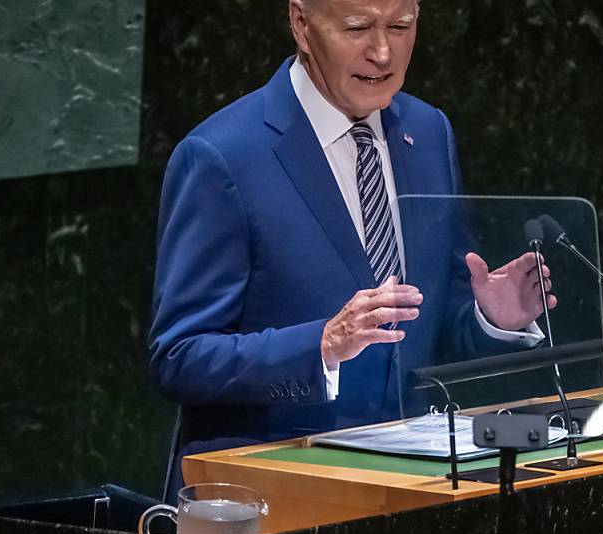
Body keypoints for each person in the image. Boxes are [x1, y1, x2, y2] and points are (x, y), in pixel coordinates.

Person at [148, 0, 555, 499]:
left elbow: (420, 329)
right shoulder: (223, 155)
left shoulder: (428, 132)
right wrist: (320, 346)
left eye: (400, 26)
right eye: (358, 27)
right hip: (272, 494)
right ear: (301, 24)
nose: (382, 52)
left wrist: (490, 318)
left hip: (411, 491)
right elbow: (179, 356)